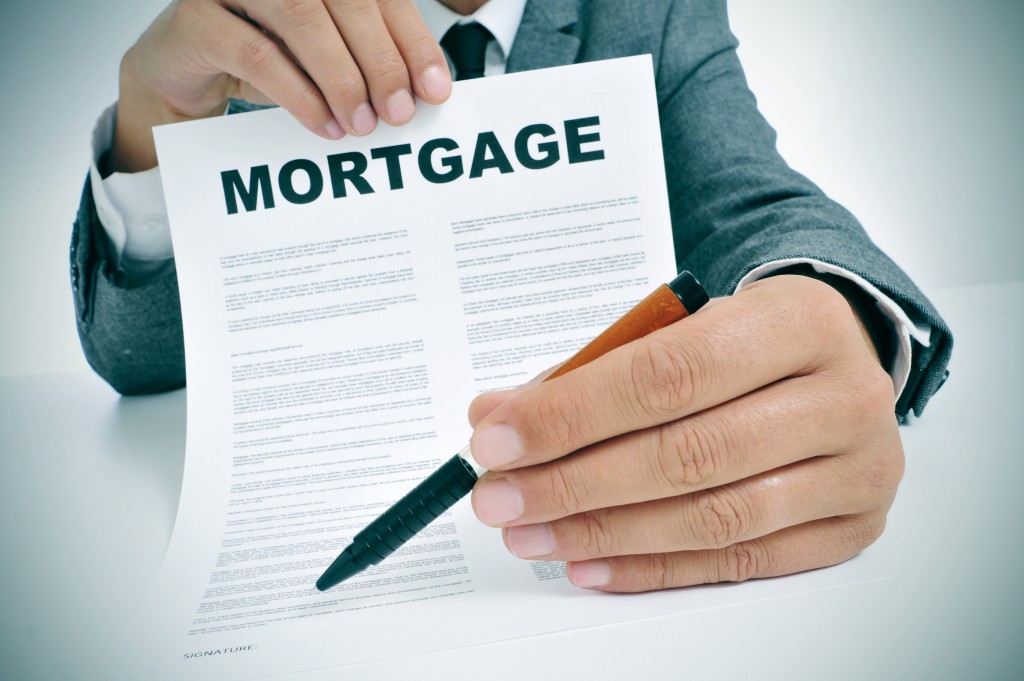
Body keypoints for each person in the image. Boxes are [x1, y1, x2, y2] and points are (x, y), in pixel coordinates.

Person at [71, 0, 952, 593]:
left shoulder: (651, 16)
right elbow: (142, 363)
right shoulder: (263, 23)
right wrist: (156, 118)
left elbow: (754, 201)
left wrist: (841, 307)